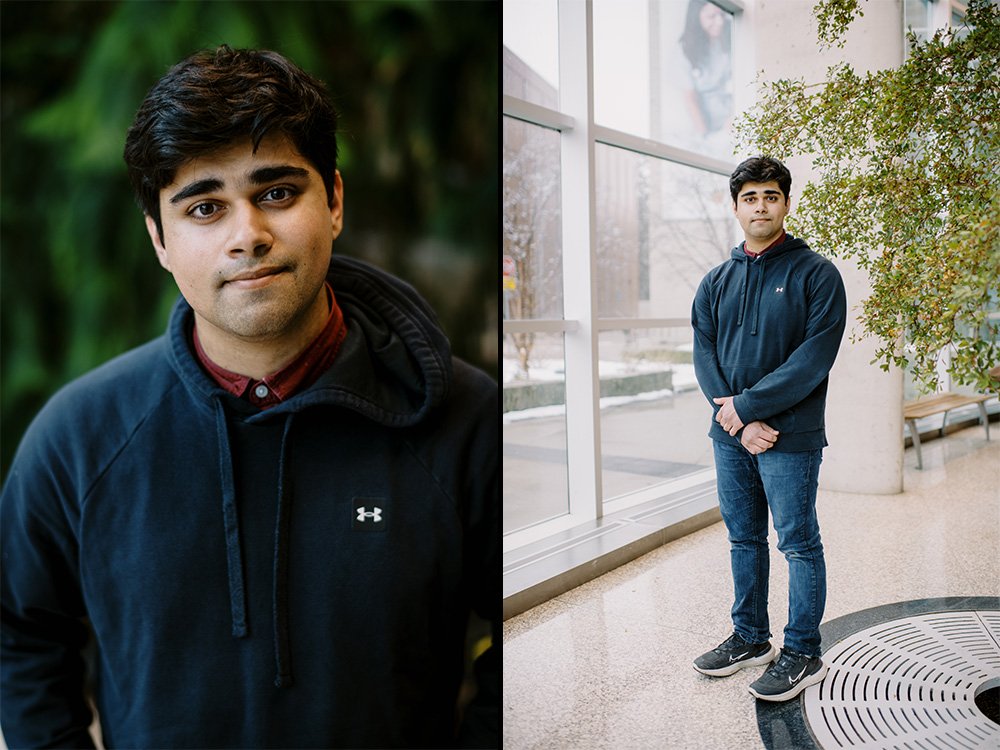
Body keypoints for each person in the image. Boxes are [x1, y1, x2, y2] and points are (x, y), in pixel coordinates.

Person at [1, 46, 498, 748]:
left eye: (276, 192)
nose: (248, 236)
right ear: (160, 241)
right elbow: (20, 636)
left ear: (334, 202)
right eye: (205, 207)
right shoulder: (78, 436)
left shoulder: (467, 420)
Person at [689, 156, 846, 702]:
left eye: (771, 196)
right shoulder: (715, 281)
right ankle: (751, 639)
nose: (761, 206)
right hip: (732, 436)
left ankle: (802, 650)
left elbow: (813, 360)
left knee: (798, 543)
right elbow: (704, 355)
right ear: (735, 207)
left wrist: (750, 410)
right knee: (743, 537)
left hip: (791, 436)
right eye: (751, 197)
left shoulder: (817, 274)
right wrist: (736, 422)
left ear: (785, 203)